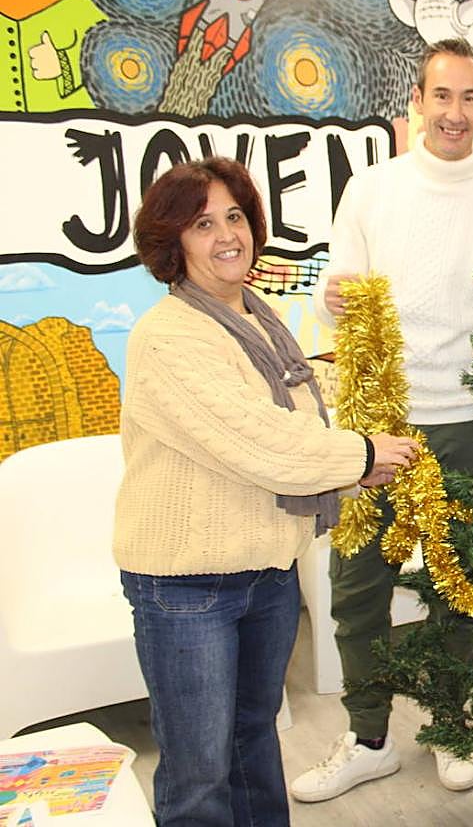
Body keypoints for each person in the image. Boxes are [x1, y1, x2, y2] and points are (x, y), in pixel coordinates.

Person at [116, 156, 418, 827]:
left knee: (253, 739)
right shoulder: (167, 337)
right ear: (173, 243)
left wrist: (377, 373)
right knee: (199, 770)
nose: (228, 235)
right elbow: (260, 442)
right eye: (203, 224)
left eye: (235, 217)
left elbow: (297, 401)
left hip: (264, 573)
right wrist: (363, 455)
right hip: (189, 586)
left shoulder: (256, 318)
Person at [290, 37, 473, 802]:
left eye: (469, 97)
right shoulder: (373, 190)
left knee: (457, 582)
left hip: (468, 423)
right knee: (356, 586)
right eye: (441, 96)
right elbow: (329, 288)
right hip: (377, 421)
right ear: (416, 103)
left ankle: (453, 724)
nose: (454, 112)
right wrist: (333, 298)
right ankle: (369, 736)